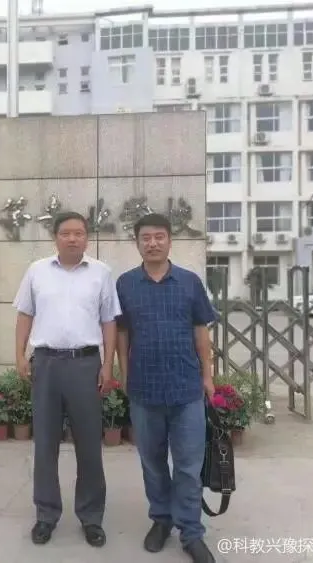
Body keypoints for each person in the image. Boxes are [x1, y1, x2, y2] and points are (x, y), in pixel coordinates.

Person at [12, 211, 121, 548]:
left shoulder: (101, 273)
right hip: (46, 364)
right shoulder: (37, 271)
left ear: (87, 237)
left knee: (89, 445)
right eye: (66, 233)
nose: (72, 238)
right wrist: (19, 355)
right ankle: (46, 515)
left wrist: (108, 365)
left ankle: (91, 517)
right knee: (45, 444)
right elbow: (25, 313)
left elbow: (109, 321)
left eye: (79, 233)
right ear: (55, 237)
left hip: (85, 365)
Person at [115, 213, 216, 563]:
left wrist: (207, 376)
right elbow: (121, 332)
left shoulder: (189, 282)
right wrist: (124, 372)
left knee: (188, 466)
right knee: (153, 463)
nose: (153, 243)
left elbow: (201, 331)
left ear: (170, 241)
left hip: (186, 388)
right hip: (144, 390)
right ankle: (161, 519)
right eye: (146, 238)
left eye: (159, 237)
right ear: (137, 243)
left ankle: (191, 532)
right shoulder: (126, 284)